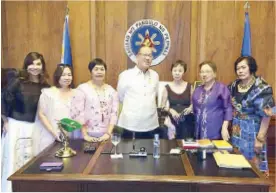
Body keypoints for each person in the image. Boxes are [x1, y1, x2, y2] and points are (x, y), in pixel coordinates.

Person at [1, 52, 50, 192]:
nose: (35, 67)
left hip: (35, 128)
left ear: (43, 66)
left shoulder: (45, 86)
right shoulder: (17, 81)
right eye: (31, 63)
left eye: (38, 64)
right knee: (14, 160)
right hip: (16, 126)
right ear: (26, 65)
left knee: (31, 161)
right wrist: (4, 121)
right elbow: (3, 100)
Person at [229, 56, 274, 176]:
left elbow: (267, 115)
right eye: (238, 68)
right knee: (237, 164)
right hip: (237, 130)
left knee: (254, 167)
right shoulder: (234, 85)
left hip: (254, 131)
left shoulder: (262, 87)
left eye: (243, 67)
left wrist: (260, 138)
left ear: (251, 68)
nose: (240, 71)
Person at [33, 64, 85, 156]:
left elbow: (80, 116)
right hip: (50, 136)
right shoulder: (48, 93)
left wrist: (70, 132)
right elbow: (41, 114)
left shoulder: (78, 94)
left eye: (69, 75)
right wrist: (55, 134)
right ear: (57, 76)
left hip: (72, 137)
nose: (67, 77)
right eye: (63, 75)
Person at [117, 45, 161, 139]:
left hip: (150, 125)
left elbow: (155, 95)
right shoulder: (125, 75)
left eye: (150, 55)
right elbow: (120, 97)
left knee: (150, 152)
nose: (148, 58)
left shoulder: (155, 76)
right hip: (130, 125)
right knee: (128, 152)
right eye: (145, 55)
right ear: (137, 57)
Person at [77, 58, 119, 142]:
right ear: (91, 71)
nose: (99, 72)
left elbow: (114, 114)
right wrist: (85, 135)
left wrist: (108, 134)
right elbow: (78, 113)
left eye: (102, 69)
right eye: (96, 69)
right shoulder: (82, 89)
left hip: (107, 135)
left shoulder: (111, 91)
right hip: (86, 135)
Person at [192, 61, 232, 140]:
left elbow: (228, 109)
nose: (204, 74)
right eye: (202, 72)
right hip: (198, 132)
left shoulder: (221, 88)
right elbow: (195, 109)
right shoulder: (197, 90)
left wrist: (224, 128)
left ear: (214, 74)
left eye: (207, 71)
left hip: (216, 131)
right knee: (200, 151)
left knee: (214, 151)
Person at [160, 60, 195, 139]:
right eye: (175, 70)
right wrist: (171, 110)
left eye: (180, 71)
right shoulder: (167, 88)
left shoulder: (190, 86)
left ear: (184, 72)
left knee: (187, 146)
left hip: (187, 120)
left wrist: (190, 108)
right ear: (171, 72)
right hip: (172, 121)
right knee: (172, 146)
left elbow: (194, 103)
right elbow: (162, 106)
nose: (177, 73)